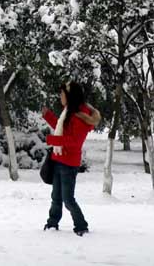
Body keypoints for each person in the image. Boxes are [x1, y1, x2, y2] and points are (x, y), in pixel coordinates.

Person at [42, 81, 99, 236]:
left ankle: (81, 226)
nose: (60, 97)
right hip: (58, 159)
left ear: (70, 96)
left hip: (69, 163)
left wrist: (52, 141)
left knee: (68, 199)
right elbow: (63, 130)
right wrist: (48, 116)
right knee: (56, 197)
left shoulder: (80, 116)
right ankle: (52, 223)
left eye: (62, 94)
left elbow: (74, 141)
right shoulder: (68, 112)